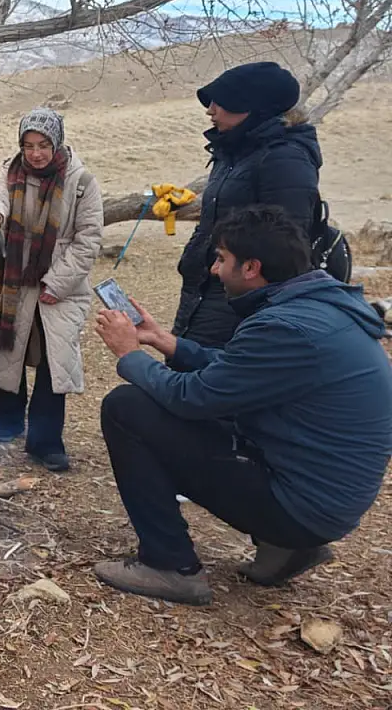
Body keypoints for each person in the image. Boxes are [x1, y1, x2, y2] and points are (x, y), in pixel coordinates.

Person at [93, 205, 392, 607]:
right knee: (161, 409)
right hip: (319, 497)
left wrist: (130, 355)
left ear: (251, 267)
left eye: (221, 259)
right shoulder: (317, 307)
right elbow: (237, 375)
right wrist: (169, 343)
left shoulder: (286, 326)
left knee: (127, 407)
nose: (215, 270)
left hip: (303, 505)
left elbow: (191, 398)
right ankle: (286, 548)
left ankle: (170, 565)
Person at [0, 108, 103, 472]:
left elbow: (88, 241)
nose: (36, 153)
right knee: (8, 349)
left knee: (52, 365)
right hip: (13, 282)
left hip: (60, 285)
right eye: (29, 145)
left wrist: (57, 283)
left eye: (42, 145)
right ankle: (6, 426)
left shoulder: (82, 181)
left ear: (56, 142)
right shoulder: (11, 171)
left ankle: (45, 441)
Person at [175, 61, 319, 349]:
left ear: (253, 106)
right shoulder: (232, 151)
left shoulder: (285, 159)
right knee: (183, 369)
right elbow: (211, 222)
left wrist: (247, 293)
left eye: (222, 102)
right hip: (204, 288)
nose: (210, 110)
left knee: (211, 381)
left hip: (242, 300)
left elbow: (287, 244)